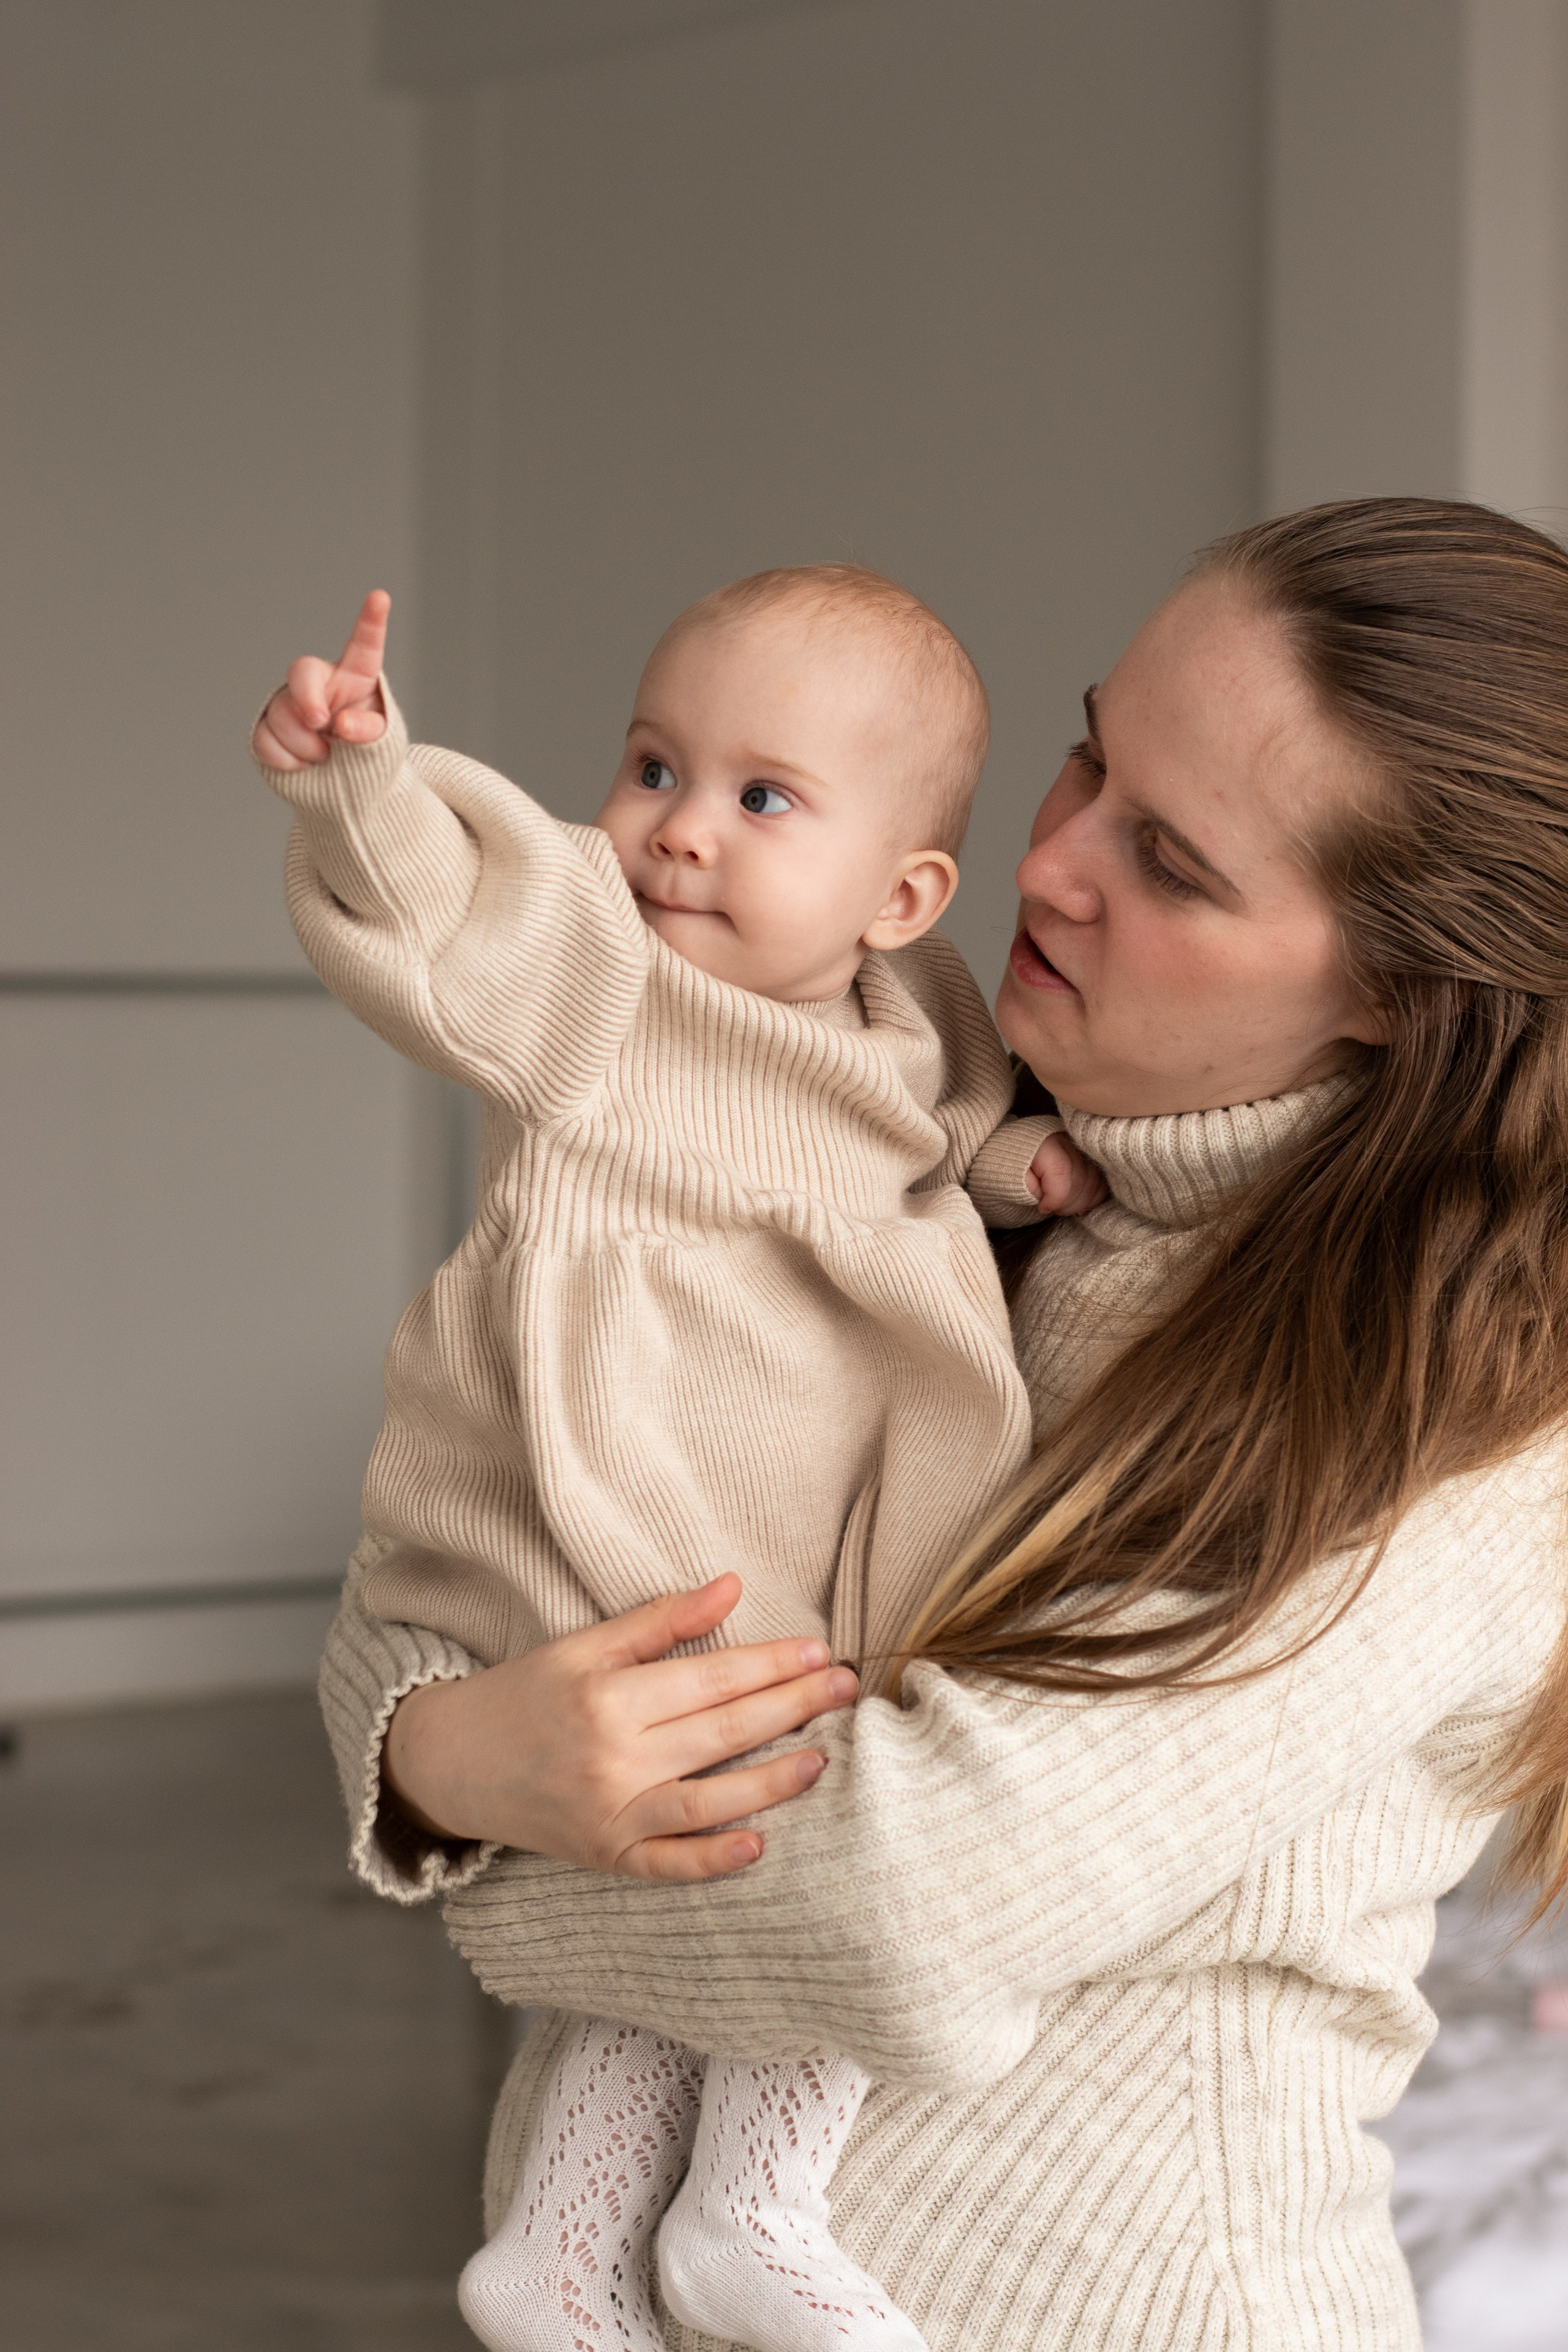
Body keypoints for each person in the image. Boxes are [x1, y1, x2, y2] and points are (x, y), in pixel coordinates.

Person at [319, 496, 1568, 2350]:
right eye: (1087, 756)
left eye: (1172, 859)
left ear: (1396, 994)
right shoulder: (917, 1174)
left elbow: (896, 1917)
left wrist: (479, 1826)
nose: (1048, 863)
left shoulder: (1453, 1414)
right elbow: (457, 1554)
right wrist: (429, 1750)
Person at [254, 564, 1103, 2352]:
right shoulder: (603, 977)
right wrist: (362, 786)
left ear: (902, 895)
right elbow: (455, 908)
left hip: (815, 1490)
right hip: (630, 1482)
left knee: (764, 1824)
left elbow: (943, 1136)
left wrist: (1014, 1175)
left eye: (759, 797)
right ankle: (740, 2213)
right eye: (654, 766)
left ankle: (584, 2246)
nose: (676, 833)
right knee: (735, 1812)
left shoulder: (919, 1008)